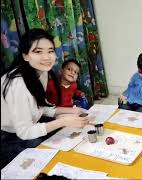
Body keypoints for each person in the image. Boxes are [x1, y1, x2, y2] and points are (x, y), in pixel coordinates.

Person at [1, 28, 89, 169]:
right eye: (38, 51)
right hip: (8, 136)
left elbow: (39, 107)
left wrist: (69, 111)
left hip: (28, 126)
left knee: (71, 140)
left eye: (50, 51)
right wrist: (63, 120)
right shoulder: (18, 84)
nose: (47, 57)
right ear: (25, 55)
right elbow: (25, 132)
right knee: (49, 159)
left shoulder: (41, 72)